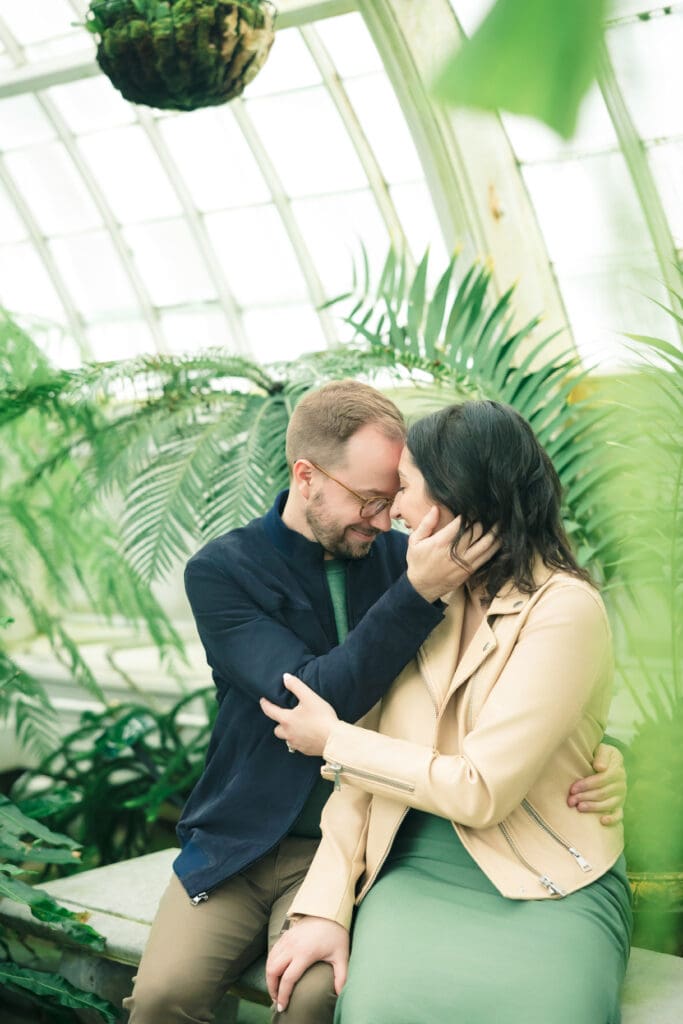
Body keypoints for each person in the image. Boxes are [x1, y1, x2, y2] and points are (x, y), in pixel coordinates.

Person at [124, 383, 625, 1024]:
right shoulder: (230, 571)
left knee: (310, 998)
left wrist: (596, 751)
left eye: (395, 496)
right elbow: (309, 698)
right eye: (370, 499)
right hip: (243, 837)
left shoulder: (419, 563)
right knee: (161, 997)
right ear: (307, 476)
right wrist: (415, 594)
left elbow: (510, 687)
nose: (387, 518)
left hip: (369, 840)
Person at [263, 400, 632, 1024]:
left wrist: (334, 740)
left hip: (546, 875)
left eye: (405, 487)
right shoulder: (422, 599)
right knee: (377, 1012)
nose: (394, 510)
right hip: (413, 860)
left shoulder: (565, 609)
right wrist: (323, 907)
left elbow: (482, 789)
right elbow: (360, 787)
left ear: (457, 495)